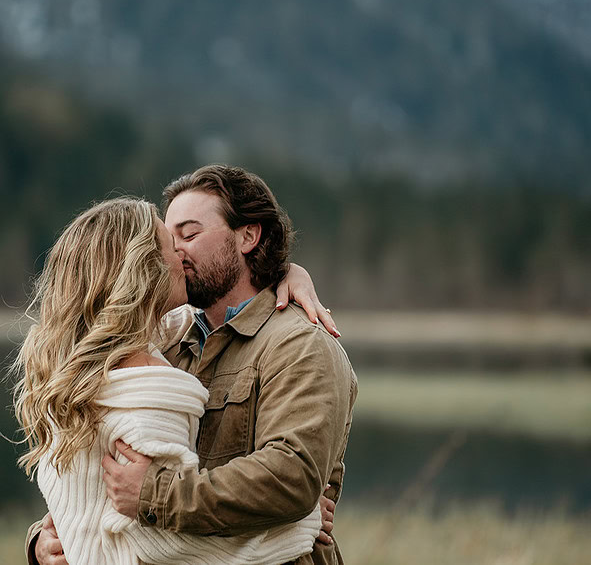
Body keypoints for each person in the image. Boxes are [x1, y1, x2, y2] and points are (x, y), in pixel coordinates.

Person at [29, 165, 357, 565]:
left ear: (248, 236)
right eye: (168, 239)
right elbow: (93, 474)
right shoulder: (165, 339)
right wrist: (44, 542)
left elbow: (291, 478)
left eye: (190, 233)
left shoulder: (300, 344)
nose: (175, 250)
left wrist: (153, 493)